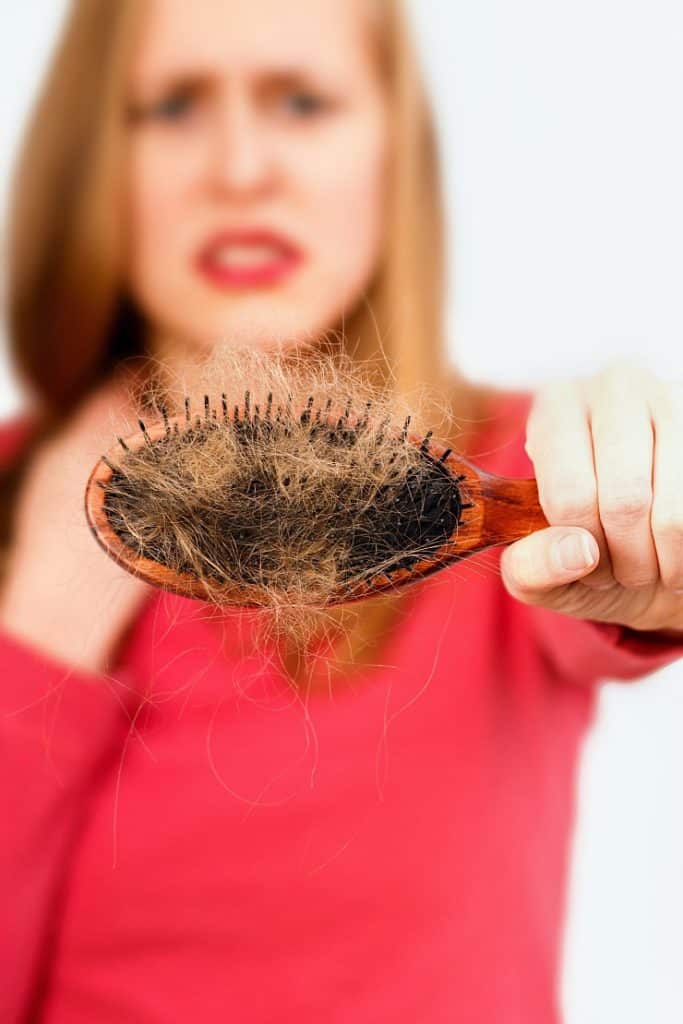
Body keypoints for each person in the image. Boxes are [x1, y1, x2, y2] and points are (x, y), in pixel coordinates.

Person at [0, 1, 681, 1021]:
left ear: (390, 153)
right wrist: (37, 637)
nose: (240, 169)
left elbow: (623, 586)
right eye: (175, 105)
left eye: (302, 102)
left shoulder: (527, 470)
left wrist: (640, 509)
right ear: (95, 155)